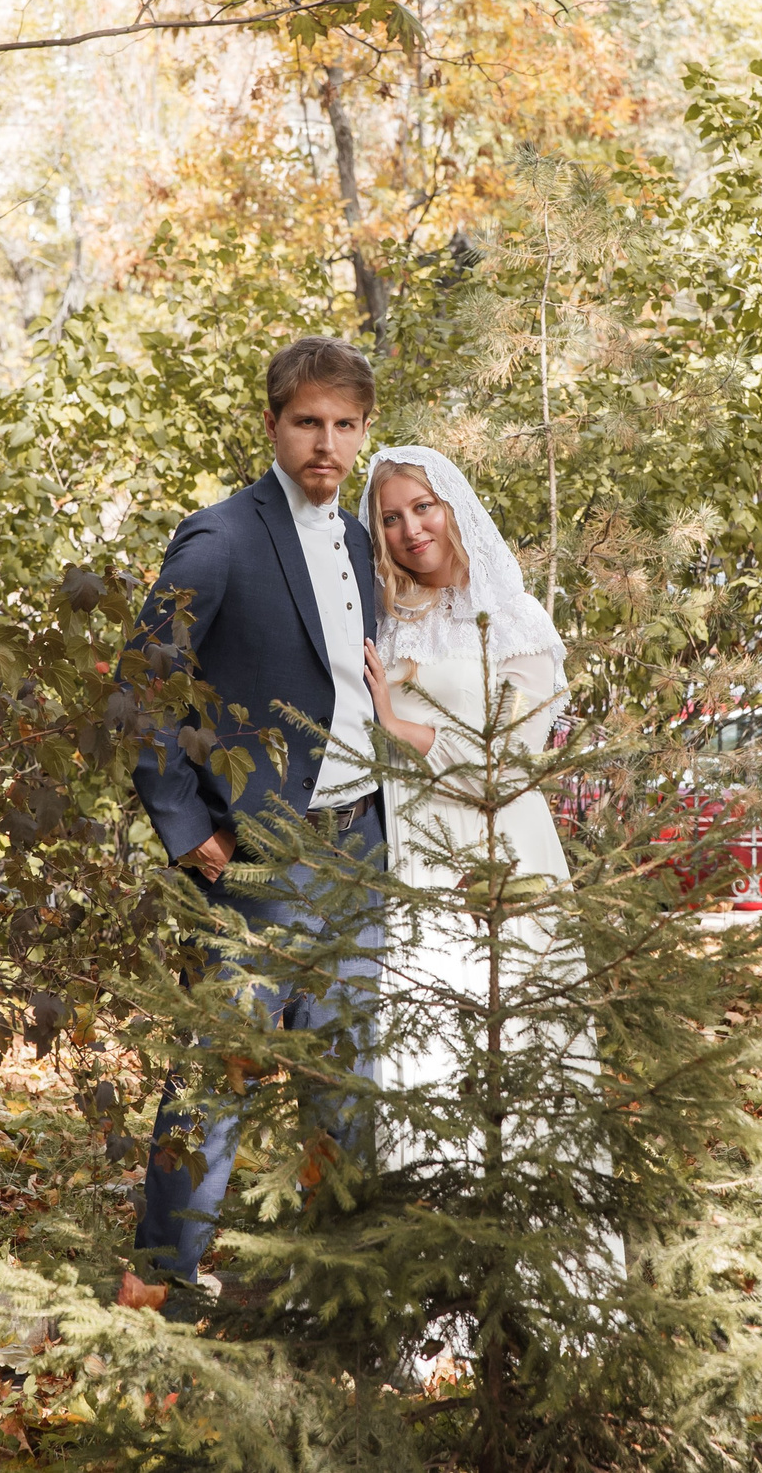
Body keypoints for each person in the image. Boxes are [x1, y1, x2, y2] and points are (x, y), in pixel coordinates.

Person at [128, 335, 387, 1290]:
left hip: (361, 852)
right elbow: (140, 686)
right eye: (308, 422)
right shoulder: (222, 536)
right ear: (274, 424)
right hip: (261, 859)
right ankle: (156, 1281)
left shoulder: (362, 541)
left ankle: (338, 1289)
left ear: (364, 432)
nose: (327, 442)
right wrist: (186, 822)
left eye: (344, 425)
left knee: (348, 1082)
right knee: (215, 1077)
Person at [354, 446, 573, 1128]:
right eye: (390, 517)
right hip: (412, 848)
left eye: (424, 507)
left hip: (500, 848)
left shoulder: (514, 617)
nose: (411, 529)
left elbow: (508, 763)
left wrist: (399, 724)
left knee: (520, 1046)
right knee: (426, 1055)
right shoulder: (386, 619)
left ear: (454, 508)